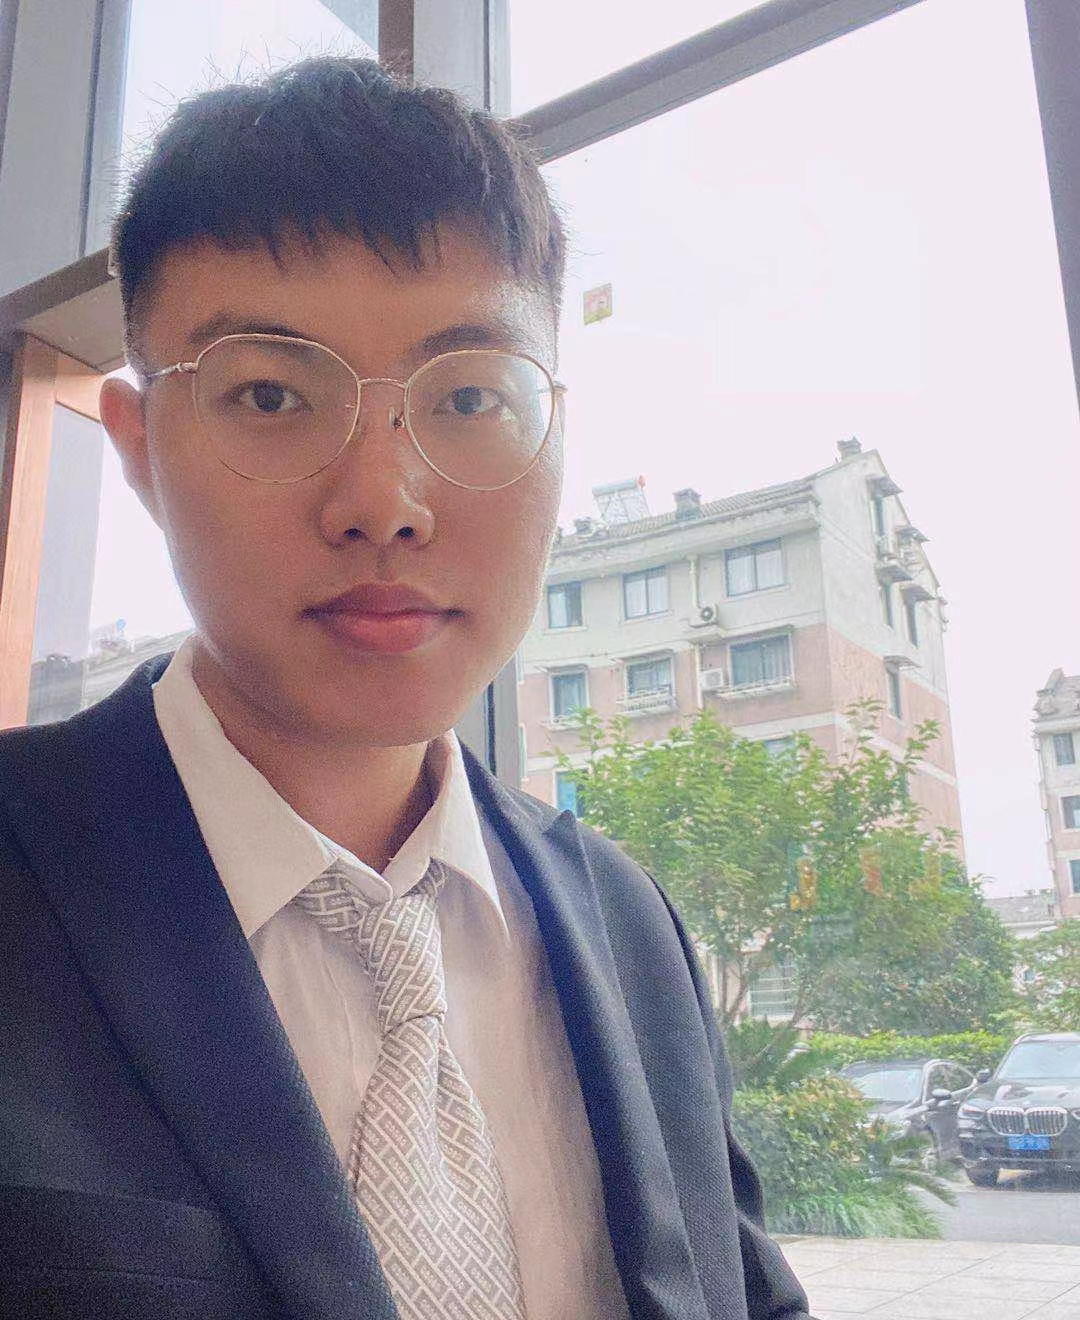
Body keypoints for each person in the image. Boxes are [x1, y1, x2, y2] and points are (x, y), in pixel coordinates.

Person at [0, 56, 812, 1320]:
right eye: (271, 394)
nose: (384, 502)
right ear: (142, 451)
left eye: (471, 396)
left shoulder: (629, 922)